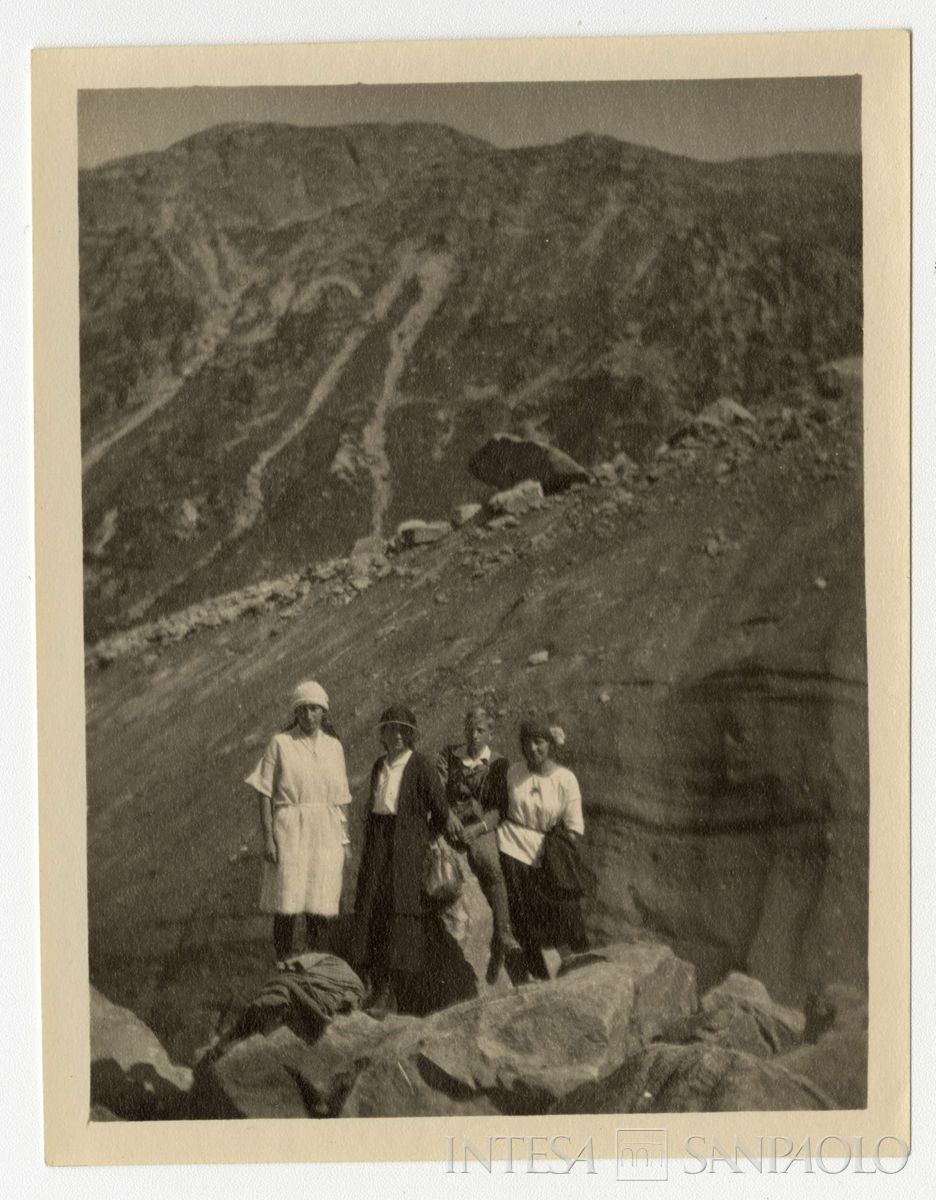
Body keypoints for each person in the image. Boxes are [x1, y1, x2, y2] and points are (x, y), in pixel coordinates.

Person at [350, 705, 458, 1016]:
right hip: (378, 843)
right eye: (390, 729)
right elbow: (374, 808)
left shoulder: (420, 765)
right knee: (372, 907)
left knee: (400, 913)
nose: (396, 735)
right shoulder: (379, 766)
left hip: (407, 848)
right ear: (382, 735)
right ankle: (372, 985)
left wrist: (424, 838)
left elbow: (441, 809)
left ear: (410, 735)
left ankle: (391, 993)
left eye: (402, 730)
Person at [245, 680, 352, 960]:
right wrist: (269, 838)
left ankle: (318, 966)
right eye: (302, 709)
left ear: (324, 711)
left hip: (326, 831)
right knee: (288, 901)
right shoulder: (281, 743)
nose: (308, 716)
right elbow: (264, 791)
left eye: (314, 709)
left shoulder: (334, 747)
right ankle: (284, 963)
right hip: (290, 828)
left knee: (320, 901)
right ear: (295, 712)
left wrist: (344, 840)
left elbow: (341, 797)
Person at [497, 715, 588, 982]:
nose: (532, 748)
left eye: (539, 742)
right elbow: (499, 807)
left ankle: (572, 963)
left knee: (559, 910)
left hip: (546, 852)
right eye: (527, 743)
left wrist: (555, 853)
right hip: (511, 846)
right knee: (522, 916)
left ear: (550, 743)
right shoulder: (514, 772)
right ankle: (536, 974)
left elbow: (574, 828)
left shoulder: (565, 779)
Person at [437, 706, 522, 981]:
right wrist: (447, 815)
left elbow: (499, 808)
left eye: (480, 730)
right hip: (450, 822)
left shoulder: (498, 763)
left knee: (490, 864)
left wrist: (477, 830)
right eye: (470, 729)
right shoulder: (450, 755)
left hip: (479, 826)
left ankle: (503, 934)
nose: (474, 735)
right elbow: (437, 789)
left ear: (490, 734)